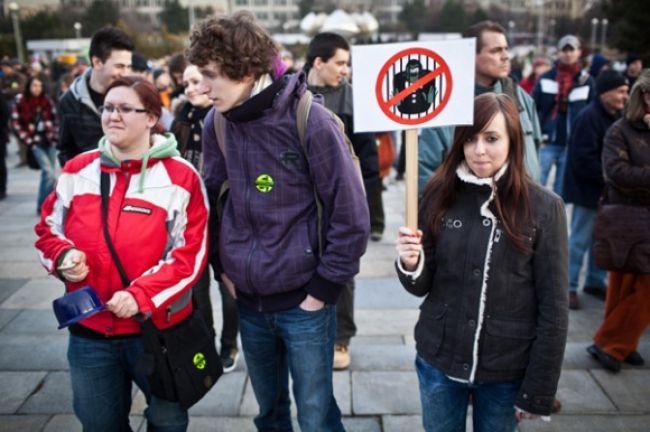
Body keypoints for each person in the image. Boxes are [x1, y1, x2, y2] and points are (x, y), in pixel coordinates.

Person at [188, 11, 369, 431]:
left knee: (316, 415)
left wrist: (323, 290)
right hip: (248, 301)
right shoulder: (218, 121)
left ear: (247, 71)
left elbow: (351, 215)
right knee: (269, 414)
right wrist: (222, 269)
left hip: (305, 302)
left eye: (212, 75)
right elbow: (211, 203)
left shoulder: (311, 119)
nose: (203, 86)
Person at [34, 76, 207, 431]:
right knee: (99, 425)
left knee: (168, 421)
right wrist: (63, 257)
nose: (113, 115)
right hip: (91, 331)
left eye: (125, 109)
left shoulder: (181, 177)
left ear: (150, 117)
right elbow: (47, 229)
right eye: (108, 107)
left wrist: (140, 295)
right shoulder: (77, 170)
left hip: (157, 332)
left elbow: (190, 256)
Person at [396, 93, 568, 431]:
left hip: (505, 369)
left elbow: (554, 307)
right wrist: (411, 262)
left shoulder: (544, 207)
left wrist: (538, 390)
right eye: (470, 138)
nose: (479, 150)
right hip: (439, 359)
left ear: (513, 141)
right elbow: (420, 286)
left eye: (491, 138)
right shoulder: (437, 192)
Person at [305, 31, 378, 370]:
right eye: (340, 62)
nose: (345, 69)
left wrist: (371, 212)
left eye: (348, 63)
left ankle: (341, 338)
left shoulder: (354, 100)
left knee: (342, 268)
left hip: (341, 200)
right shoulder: (292, 94)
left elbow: (369, 157)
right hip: (302, 200)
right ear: (318, 62)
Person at [170, 63, 241, 373]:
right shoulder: (179, 120)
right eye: (185, 82)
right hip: (190, 220)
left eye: (196, 81)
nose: (189, 88)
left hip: (224, 217)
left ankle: (229, 345)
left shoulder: (225, 118)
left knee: (230, 288)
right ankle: (207, 344)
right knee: (196, 291)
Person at [418, 20, 543, 195]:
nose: (506, 56)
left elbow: (534, 150)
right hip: (468, 212)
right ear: (471, 55)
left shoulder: (520, 97)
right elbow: (426, 170)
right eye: (495, 50)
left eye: (506, 49)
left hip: (523, 205)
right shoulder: (448, 104)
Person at [588, 70, 650, 372]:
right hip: (626, 215)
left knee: (644, 285)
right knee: (623, 283)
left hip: (640, 214)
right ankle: (617, 343)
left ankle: (616, 343)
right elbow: (617, 173)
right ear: (644, 96)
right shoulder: (619, 131)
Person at [563, 70, 629, 310]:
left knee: (601, 241)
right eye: (621, 91)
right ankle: (568, 287)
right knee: (579, 241)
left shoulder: (616, 116)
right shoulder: (588, 117)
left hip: (605, 192)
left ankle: (594, 281)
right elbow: (582, 160)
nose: (626, 96)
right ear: (605, 92)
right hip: (587, 192)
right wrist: (612, 175)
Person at [57, 26, 133, 166]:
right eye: (120, 66)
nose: (125, 73)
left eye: (128, 67)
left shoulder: (136, 98)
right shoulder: (69, 101)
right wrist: (75, 178)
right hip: (88, 182)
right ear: (97, 62)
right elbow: (65, 149)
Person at [533, 35, 595, 195]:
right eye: (564, 50)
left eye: (571, 50)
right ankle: (533, 220)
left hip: (571, 144)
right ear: (559, 52)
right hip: (546, 142)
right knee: (535, 188)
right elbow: (533, 108)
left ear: (579, 52)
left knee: (560, 194)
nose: (568, 54)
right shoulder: (545, 78)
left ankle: (555, 221)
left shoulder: (587, 81)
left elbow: (592, 114)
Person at [10, 76, 59, 213]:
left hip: (49, 140)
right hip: (34, 142)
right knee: (48, 173)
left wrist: (55, 135)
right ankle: (43, 206)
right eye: (34, 85)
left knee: (48, 175)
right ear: (29, 86)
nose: (37, 88)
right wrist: (27, 140)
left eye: (40, 85)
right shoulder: (21, 101)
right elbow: (15, 123)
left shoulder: (47, 101)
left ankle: (44, 206)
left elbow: (56, 118)